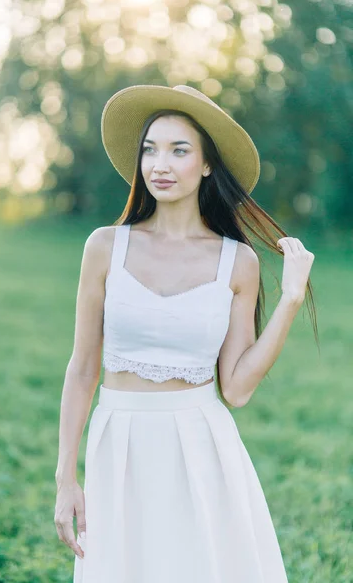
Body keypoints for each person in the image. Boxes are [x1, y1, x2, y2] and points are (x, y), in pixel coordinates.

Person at [54, 84, 317, 582]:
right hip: (119, 442)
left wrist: (290, 301)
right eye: (150, 149)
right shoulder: (105, 246)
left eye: (179, 150)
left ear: (207, 165)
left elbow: (236, 389)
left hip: (201, 445)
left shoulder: (236, 261)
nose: (160, 164)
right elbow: (84, 365)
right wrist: (66, 477)